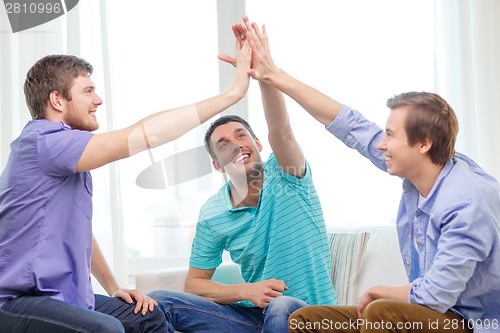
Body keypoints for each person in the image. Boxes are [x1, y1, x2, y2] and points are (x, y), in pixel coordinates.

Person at [234, 16, 500, 333]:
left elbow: (436, 296)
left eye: (390, 136)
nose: (381, 144)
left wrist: (379, 291)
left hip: (475, 323)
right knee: (306, 321)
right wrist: (274, 76)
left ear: (424, 144)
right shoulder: (422, 171)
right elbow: (352, 126)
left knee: (381, 312)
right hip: (428, 313)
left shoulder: (465, 200)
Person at [0, 38, 251, 333]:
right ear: (57, 100)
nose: (98, 100)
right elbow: (146, 136)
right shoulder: (46, 143)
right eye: (88, 91)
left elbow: (76, 230)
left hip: (63, 298)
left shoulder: (66, 155)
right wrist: (232, 94)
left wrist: (114, 286)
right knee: (107, 330)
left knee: (148, 316)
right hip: (18, 301)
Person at [148, 21, 337, 333]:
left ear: (258, 144)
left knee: (281, 305)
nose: (236, 144)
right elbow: (195, 283)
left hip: (315, 318)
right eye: (224, 145)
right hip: (254, 318)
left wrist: (264, 75)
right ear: (217, 165)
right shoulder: (213, 213)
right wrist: (244, 292)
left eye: (241, 136)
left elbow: (282, 130)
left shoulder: (288, 174)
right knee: (159, 302)